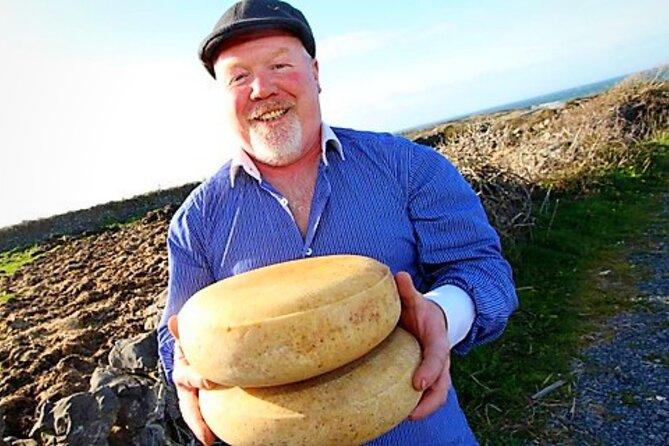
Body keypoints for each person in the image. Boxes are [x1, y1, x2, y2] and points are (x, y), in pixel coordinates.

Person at [157, 0, 518, 444]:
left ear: (316, 73)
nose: (261, 89)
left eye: (279, 65)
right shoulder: (196, 222)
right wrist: (186, 366)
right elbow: (176, 333)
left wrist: (443, 315)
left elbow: (485, 271)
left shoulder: (407, 168)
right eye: (239, 76)